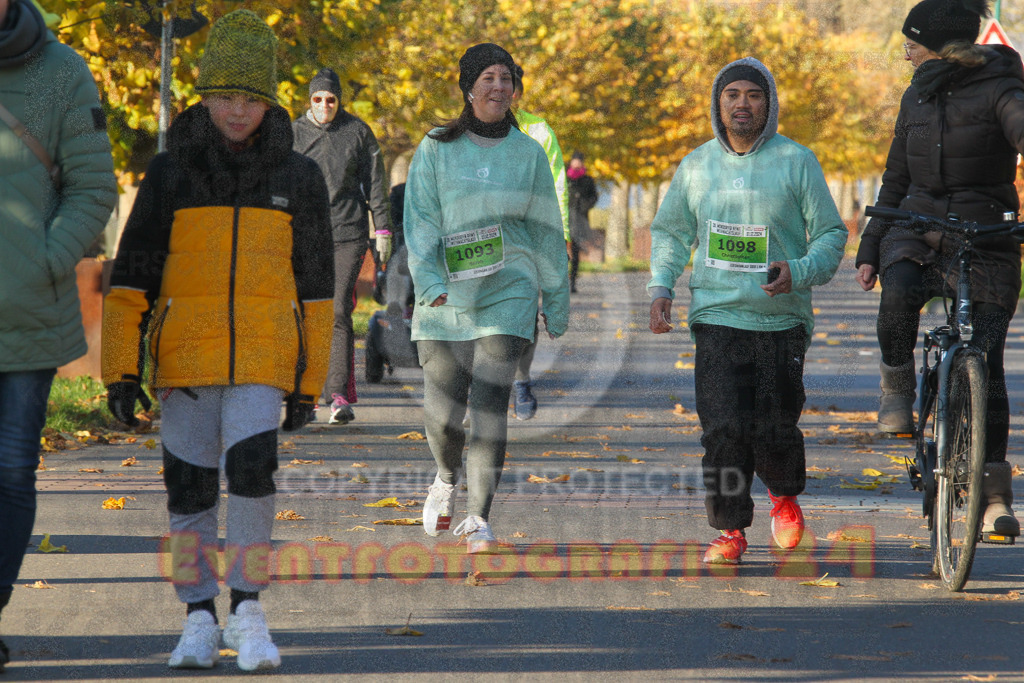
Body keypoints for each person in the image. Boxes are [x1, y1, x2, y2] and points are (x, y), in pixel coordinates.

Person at [102, 10, 334, 670]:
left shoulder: (298, 178)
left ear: (268, 100)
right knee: (189, 489)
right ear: (203, 97)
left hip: (264, 355)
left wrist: (309, 381)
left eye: (250, 98)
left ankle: (250, 608)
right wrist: (121, 367)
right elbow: (132, 273)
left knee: (254, 475)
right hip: (186, 360)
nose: (236, 111)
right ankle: (198, 615)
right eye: (224, 97)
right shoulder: (171, 172)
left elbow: (318, 288)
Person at [648, 58, 847, 565]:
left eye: (753, 95)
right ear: (718, 104)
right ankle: (730, 529)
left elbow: (831, 234)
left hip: (779, 317)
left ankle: (783, 496)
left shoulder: (797, 161)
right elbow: (671, 231)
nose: (742, 103)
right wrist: (661, 286)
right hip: (715, 314)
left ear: (769, 104)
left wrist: (798, 271)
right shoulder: (695, 166)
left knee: (774, 423)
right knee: (721, 427)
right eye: (732, 94)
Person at [855, 0, 1022, 537]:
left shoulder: (1002, 87)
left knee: (988, 359)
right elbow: (895, 175)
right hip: (917, 226)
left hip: (987, 232)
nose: (905, 53)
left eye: (912, 43)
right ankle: (898, 390)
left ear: (941, 45)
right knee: (898, 290)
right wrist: (870, 244)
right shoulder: (918, 93)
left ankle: (994, 496)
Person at [405, 43, 569, 553]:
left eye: (506, 77)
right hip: (446, 296)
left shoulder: (529, 152)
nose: (498, 86)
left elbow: (545, 227)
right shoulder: (436, 146)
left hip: (508, 292)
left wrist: (555, 297)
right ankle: (444, 476)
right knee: (442, 414)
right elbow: (421, 218)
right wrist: (428, 280)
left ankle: (478, 516)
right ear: (468, 86)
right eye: (488, 77)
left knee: (490, 403)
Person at [0, 0, 117, 668]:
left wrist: (46, 260)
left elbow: (93, 185)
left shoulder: (60, 72)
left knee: (11, 474)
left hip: (29, 311)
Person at [293, 67, 392, 425]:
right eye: (318, 99)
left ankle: (336, 395)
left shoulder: (357, 133)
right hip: (303, 234)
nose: (324, 105)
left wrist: (382, 230)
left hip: (347, 233)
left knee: (336, 310)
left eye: (330, 99)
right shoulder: (293, 133)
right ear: (310, 101)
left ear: (339, 101)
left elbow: (375, 183)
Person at [507, 65, 569, 420]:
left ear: (519, 93)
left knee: (526, 310)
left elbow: (557, 184)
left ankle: (520, 380)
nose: (504, 92)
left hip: (529, 236)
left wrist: (560, 235)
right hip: (484, 236)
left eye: (511, 86)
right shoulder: (466, 132)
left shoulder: (538, 131)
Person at [567, 151, 598, 293]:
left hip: (580, 220)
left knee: (576, 252)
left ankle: (573, 281)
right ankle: (561, 280)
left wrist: (585, 205)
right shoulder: (565, 179)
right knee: (562, 251)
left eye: (579, 160)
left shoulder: (587, 180)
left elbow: (594, 197)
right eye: (575, 160)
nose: (577, 163)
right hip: (565, 219)